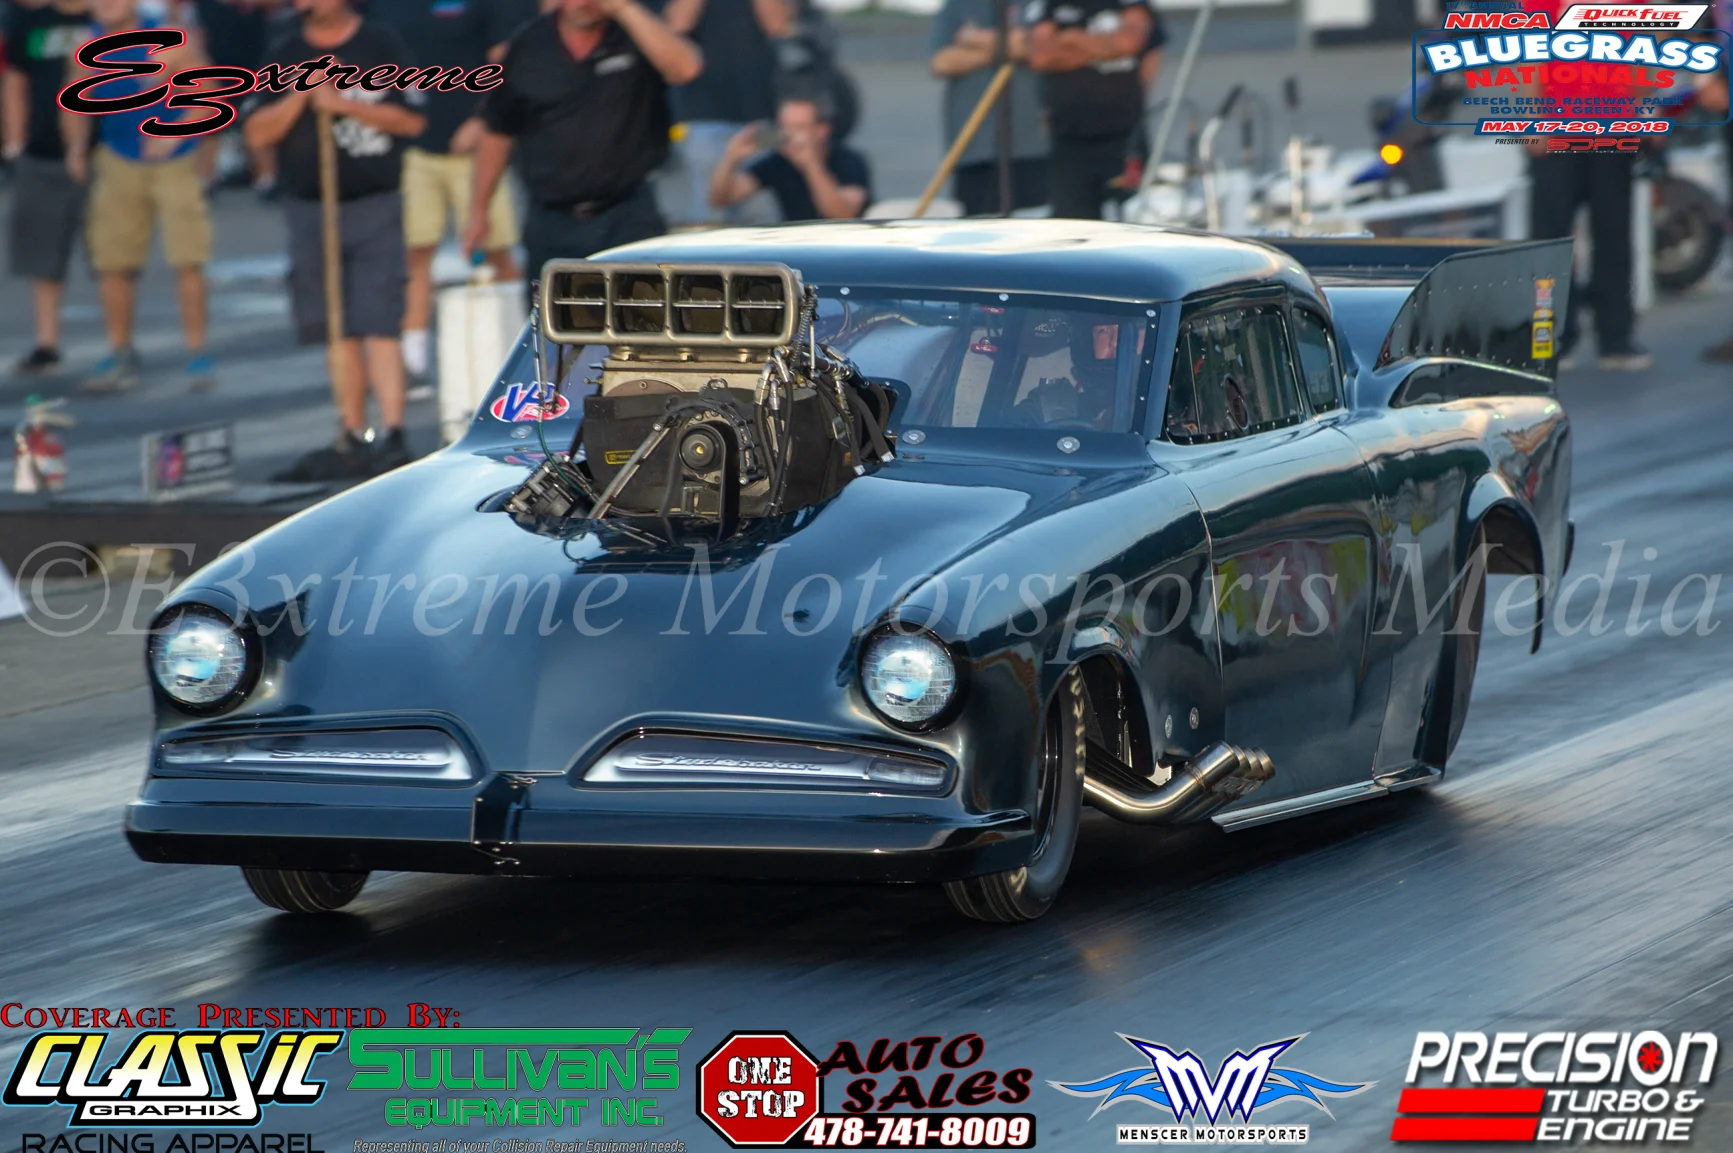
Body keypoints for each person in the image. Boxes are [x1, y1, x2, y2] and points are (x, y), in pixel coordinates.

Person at [244, 0, 428, 479]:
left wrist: (345, 104)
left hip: (374, 202)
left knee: (379, 319)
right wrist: (302, 96)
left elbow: (411, 121)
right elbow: (258, 133)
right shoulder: (285, 52)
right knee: (336, 325)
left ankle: (393, 432)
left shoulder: (380, 44)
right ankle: (352, 432)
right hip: (312, 208)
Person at [466, 0, 702, 297]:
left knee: (642, 317)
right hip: (551, 222)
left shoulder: (634, 34)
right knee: (552, 321)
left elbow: (686, 68)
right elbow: (497, 132)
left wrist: (625, 9)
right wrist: (479, 210)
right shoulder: (529, 46)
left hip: (626, 215)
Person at [367, 0, 535, 393]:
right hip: (417, 147)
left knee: (497, 250)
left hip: (475, 146)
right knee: (415, 251)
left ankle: (526, 349)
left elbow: (507, 63)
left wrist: (483, 119)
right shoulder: (389, 9)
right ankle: (413, 358)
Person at [61, 0, 217, 392]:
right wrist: (76, 148)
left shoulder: (166, 39)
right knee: (113, 260)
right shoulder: (87, 47)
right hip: (118, 157)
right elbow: (73, 102)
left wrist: (175, 135)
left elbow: (208, 94)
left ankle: (197, 350)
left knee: (188, 257)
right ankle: (120, 348)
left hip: (174, 160)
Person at [3, 0, 89, 375]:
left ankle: (120, 344)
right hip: (41, 150)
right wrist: (15, 142)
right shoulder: (31, 21)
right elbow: (16, 80)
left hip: (101, 150)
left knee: (111, 256)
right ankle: (47, 341)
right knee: (42, 254)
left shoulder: (105, 17)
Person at [660, 0, 788, 224]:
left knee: (762, 211)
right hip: (701, 117)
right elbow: (677, 24)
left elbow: (778, 25)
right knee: (710, 210)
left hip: (761, 115)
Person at [1025, 0, 1153, 220]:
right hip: (1069, 139)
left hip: (1124, 135)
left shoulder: (1130, 4)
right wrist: (1106, 48)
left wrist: (1071, 38)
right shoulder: (1050, 4)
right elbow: (1041, 56)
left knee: (1131, 218)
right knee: (1071, 224)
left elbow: (1130, 43)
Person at [928, 0, 1046, 215]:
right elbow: (941, 62)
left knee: (1032, 223)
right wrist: (1007, 48)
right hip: (973, 147)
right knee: (978, 223)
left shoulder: (1037, 4)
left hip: (1031, 147)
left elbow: (1035, 47)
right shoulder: (958, 5)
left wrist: (972, 38)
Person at [708, 94, 870, 221]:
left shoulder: (848, 161)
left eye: (799, 128)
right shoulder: (777, 162)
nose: (789, 136)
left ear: (822, 130)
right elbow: (721, 199)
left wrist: (811, 166)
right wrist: (732, 158)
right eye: (784, 127)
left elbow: (842, 215)